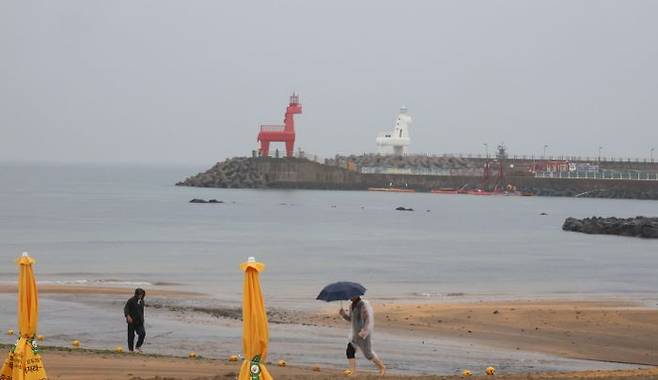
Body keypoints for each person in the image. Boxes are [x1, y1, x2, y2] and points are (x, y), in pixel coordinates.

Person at [339, 296, 385, 376]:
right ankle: (353, 372)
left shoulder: (362, 305)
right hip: (355, 334)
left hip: (364, 334)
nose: (350, 297)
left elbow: (367, 320)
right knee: (349, 351)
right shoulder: (351, 305)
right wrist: (343, 314)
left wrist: (364, 331)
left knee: (368, 354)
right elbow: (351, 319)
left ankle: (382, 368)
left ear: (356, 295)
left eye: (352, 295)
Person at [124, 288, 146, 352]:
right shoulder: (131, 300)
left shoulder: (142, 301)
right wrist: (127, 316)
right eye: (139, 295)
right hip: (131, 321)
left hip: (139, 322)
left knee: (142, 333)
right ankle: (131, 350)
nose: (140, 296)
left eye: (141, 295)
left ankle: (138, 346)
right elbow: (126, 308)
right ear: (136, 294)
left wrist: (142, 319)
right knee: (131, 336)